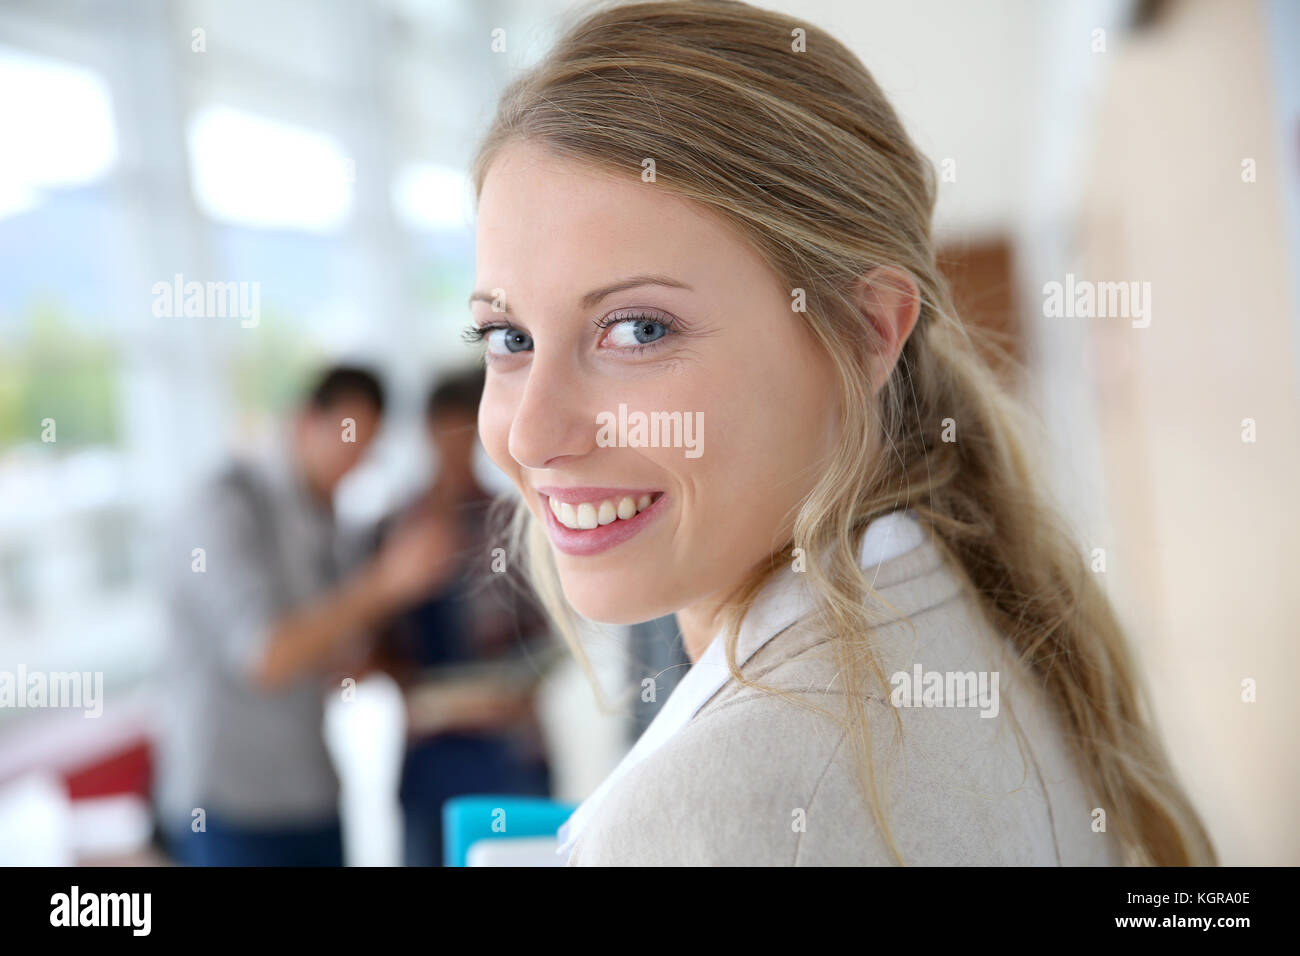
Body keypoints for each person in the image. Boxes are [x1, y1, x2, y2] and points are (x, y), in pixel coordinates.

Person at [462, 0, 1218, 866]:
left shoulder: (702, 820)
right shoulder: (977, 619)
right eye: (507, 338)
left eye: (638, 330)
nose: (530, 434)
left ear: (866, 332)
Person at [154, 365, 458, 866]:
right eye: (348, 442)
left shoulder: (327, 517)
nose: (354, 466)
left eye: (366, 452)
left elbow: (330, 659)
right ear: (303, 422)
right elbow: (265, 656)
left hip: (310, 792)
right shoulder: (225, 503)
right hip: (230, 805)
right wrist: (386, 583)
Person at [369, 366, 554, 867]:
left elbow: (550, 640)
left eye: (465, 433)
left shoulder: (516, 522)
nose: (454, 448)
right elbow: (369, 643)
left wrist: (511, 693)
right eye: (442, 433)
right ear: (426, 432)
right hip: (429, 750)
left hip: (509, 746)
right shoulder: (392, 527)